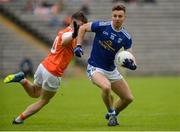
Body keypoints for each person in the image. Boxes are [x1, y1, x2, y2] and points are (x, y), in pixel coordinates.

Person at [3, 11, 87, 124]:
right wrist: (74, 35)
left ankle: (22, 79)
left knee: (34, 93)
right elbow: (64, 40)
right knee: (44, 100)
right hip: (53, 71)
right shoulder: (70, 33)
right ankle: (18, 119)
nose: (82, 28)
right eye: (81, 25)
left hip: (43, 66)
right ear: (73, 22)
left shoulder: (63, 31)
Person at [74, 4, 137, 126]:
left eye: (120, 16)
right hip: (95, 67)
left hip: (111, 70)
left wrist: (132, 65)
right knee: (106, 87)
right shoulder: (102, 26)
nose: (117, 18)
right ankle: (112, 114)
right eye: (115, 16)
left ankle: (112, 114)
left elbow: (129, 55)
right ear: (111, 16)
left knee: (128, 98)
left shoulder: (126, 37)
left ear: (124, 17)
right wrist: (78, 46)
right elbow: (82, 28)